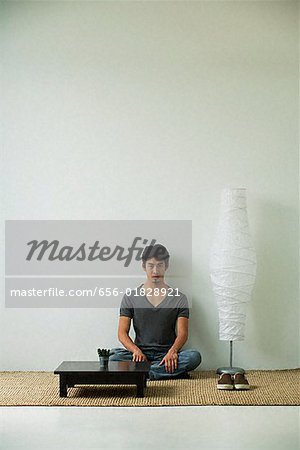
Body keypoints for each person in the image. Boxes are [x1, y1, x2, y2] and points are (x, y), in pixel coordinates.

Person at [109, 244, 201, 380]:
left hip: (167, 354)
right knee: (113, 356)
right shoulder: (130, 297)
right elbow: (122, 333)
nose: (155, 270)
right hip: (140, 354)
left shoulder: (179, 298)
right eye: (151, 265)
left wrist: (173, 351)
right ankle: (162, 372)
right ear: (143, 266)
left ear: (166, 266)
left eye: (160, 265)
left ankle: (145, 373)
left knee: (194, 356)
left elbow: (183, 333)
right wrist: (135, 351)